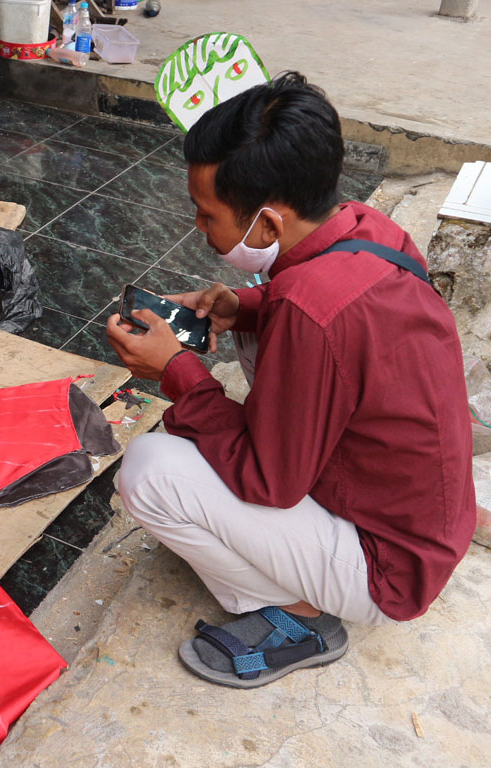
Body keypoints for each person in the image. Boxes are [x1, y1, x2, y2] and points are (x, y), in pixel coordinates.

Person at [106, 72, 475, 688]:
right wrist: (243, 308)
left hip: (388, 569)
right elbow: (318, 317)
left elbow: (268, 482)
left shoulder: (308, 310)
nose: (199, 228)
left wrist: (179, 373)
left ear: (270, 226)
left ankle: (299, 616)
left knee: (149, 470)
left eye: (207, 215)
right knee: (256, 316)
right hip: (424, 523)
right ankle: (300, 567)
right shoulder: (368, 229)